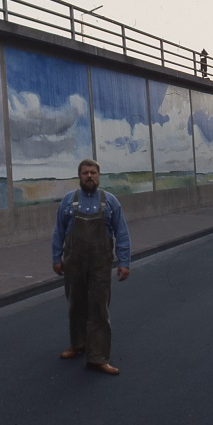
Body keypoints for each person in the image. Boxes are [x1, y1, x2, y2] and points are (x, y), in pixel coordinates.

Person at [51, 159, 131, 375]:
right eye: (85, 173)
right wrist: (56, 258)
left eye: (93, 173)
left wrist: (124, 262)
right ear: (79, 176)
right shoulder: (68, 201)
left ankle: (98, 357)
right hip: (73, 262)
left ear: (99, 175)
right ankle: (78, 345)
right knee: (75, 305)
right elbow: (58, 231)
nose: (89, 176)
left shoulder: (110, 201)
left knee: (98, 308)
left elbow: (121, 232)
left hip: (99, 264)